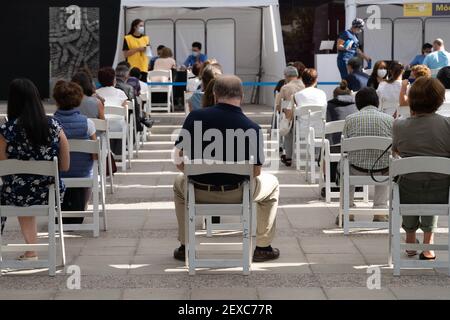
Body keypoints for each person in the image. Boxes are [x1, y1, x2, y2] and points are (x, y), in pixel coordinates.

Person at [172, 75, 280, 262]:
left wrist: (191, 173)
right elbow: (256, 172)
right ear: (242, 96)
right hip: (238, 193)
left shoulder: (195, 117)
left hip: (197, 192)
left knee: (178, 184)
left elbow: (177, 157)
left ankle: (185, 246)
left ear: (214, 94)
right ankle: (263, 247)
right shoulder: (252, 128)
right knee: (273, 186)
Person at [0, 79, 70, 259]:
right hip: (49, 191)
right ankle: (31, 251)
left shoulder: (6, 130)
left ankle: (31, 250)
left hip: (17, 193)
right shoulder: (54, 126)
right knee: (24, 190)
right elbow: (65, 165)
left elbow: (3, 166)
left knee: (15, 190)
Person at [392, 77, 450, 260]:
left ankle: (410, 238)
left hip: (409, 187)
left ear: (412, 99)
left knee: (408, 181)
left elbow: (397, 150)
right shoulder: (448, 124)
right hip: (441, 191)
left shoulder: (399, 124)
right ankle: (428, 244)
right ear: (440, 100)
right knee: (435, 179)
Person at [339, 87, 393, 224]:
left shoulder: (350, 119)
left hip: (356, 170)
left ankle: (348, 211)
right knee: (387, 162)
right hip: (382, 171)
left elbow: (345, 147)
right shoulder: (389, 120)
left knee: (345, 164)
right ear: (377, 102)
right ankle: (380, 211)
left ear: (357, 103)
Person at [53, 81, 97, 224]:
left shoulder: (50, 124)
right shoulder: (88, 123)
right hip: (82, 173)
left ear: (56, 100)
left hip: (57, 173)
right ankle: (82, 207)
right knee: (92, 173)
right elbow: (95, 154)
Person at [281, 69, 327, 167]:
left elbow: (289, 115)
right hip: (321, 128)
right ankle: (318, 156)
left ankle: (289, 156)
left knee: (291, 125)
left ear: (302, 80)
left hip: (302, 129)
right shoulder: (322, 93)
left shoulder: (297, 96)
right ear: (316, 80)